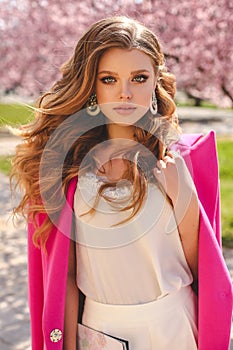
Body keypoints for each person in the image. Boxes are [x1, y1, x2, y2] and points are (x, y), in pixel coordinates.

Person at [11, 16, 232, 350]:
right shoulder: (67, 171)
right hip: (100, 331)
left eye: (139, 78)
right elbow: (65, 277)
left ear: (156, 80)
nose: (125, 93)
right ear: (91, 86)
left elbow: (203, 266)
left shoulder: (184, 161)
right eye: (109, 79)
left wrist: (184, 194)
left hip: (175, 327)